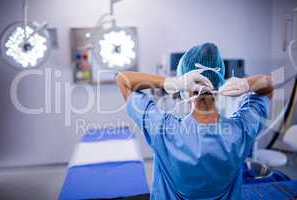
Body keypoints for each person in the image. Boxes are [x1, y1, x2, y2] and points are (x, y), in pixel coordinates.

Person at [116, 43, 273, 200]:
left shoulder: (164, 130)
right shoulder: (242, 130)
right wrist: (246, 84)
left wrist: (171, 82)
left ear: (185, 85)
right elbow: (268, 85)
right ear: (220, 82)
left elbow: (123, 80)